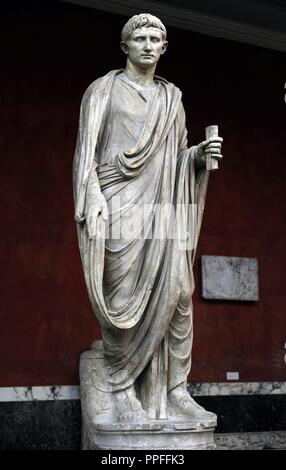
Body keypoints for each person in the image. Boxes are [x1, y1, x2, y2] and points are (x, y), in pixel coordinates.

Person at [73, 13, 223, 423]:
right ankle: (123, 394)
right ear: (125, 46)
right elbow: (86, 155)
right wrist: (91, 197)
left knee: (178, 294)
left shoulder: (171, 99)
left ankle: (176, 390)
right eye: (139, 38)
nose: (147, 45)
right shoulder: (102, 91)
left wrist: (197, 158)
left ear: (164, 47)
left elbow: (176, 156)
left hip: (162, 206)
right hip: (119, 203)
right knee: (123, 302)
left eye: (155, 38)